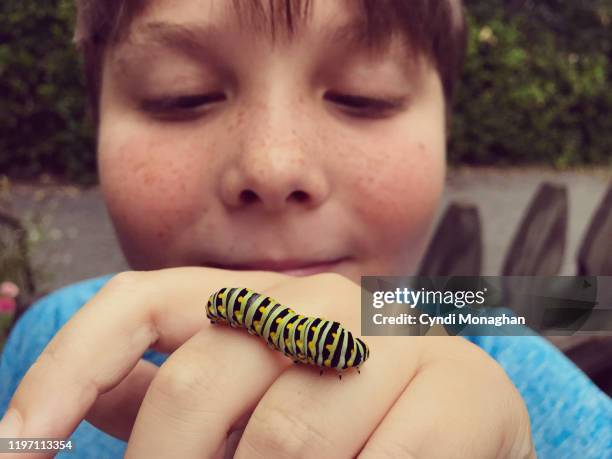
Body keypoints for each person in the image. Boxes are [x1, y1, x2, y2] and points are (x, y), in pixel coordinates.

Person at [1, 0, 610, 457]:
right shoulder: (50, 341)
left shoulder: (560, 415)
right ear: (95, 123)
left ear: (447, 129)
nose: (274, 166)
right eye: (180, 97)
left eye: (361, 96)